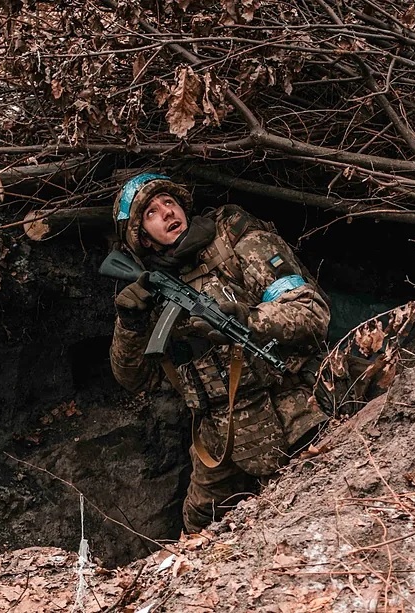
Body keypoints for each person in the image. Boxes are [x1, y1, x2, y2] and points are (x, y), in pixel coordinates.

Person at [108, 172, 331, 534]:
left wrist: (250, 319)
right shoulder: (147, 287)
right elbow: (134, 379)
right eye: (150, 212)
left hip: (288, 402)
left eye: (168, 202)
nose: (166, 213)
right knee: (197, 530)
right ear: (142, 238)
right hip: (218, 436)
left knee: (315, 493)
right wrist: (129, 324)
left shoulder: (235, 238)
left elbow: (310, 311)